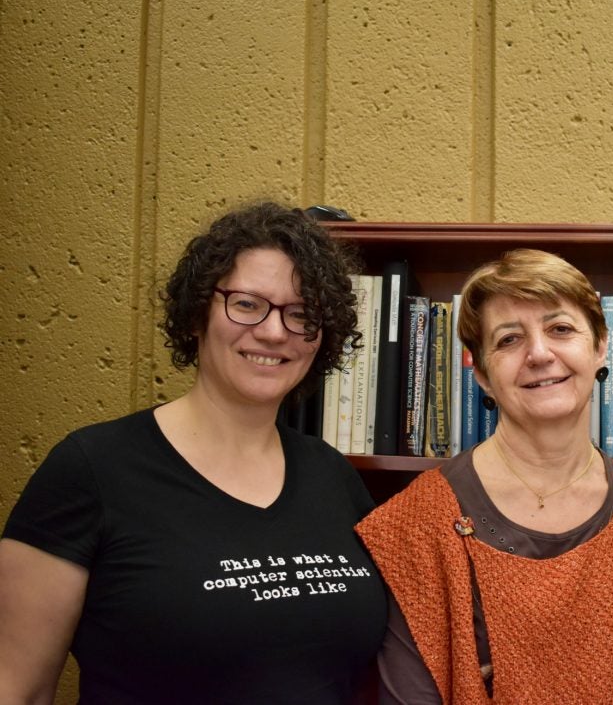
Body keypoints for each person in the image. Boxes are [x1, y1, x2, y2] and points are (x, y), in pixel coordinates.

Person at [0, 203, 387, 704]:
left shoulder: (332, 474)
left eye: (301, 314)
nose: (274, 332)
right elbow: (18, 690)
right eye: (247, 304)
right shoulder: (92, 469)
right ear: (196, 314)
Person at [357, 249, 613, 704]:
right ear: (481, 375)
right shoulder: (414, 525)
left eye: (560, 329)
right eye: (509, 340)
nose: (539, 354)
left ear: (599, 348)